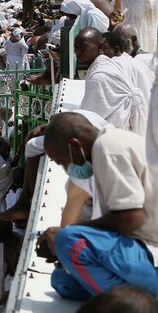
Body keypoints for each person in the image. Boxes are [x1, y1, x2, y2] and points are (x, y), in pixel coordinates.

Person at [41, 112, 158, 300]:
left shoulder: (108, 148)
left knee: (69, 240)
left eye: (63, 162)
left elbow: (130, 218)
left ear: (74, 145)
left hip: (147, 250)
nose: (66, 169)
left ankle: (136, 302)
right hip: (139, 250)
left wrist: (70, 231)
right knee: (62, 280)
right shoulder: (105, 151)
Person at [75, 28, 139, 132]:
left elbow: (87, 120)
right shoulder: (103, 66)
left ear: (100, 47)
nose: (78, 52)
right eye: (76, 47)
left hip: (115, 138)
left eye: (84, 47)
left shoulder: (100, 76)